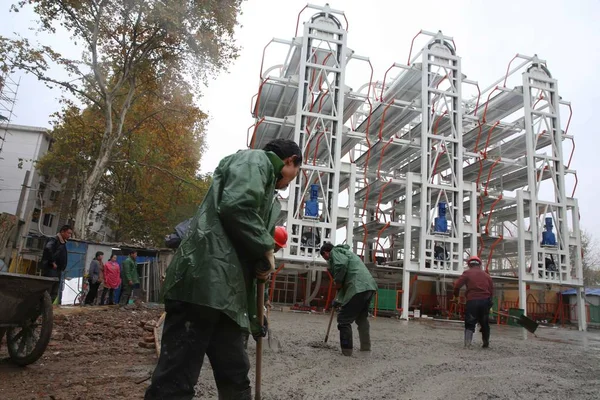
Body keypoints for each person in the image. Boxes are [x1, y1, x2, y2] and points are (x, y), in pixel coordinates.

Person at [145, 139, 302, 400]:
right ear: (290, 161)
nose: (291, 181)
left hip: (227, 297)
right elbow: (236, 206)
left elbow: (243, 254)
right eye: (296, 173)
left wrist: (256, 315)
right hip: (201, 284)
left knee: (236, 376)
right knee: (176, 379)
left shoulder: (266, 193)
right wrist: (264, 247)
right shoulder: (255, 160)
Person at [320, 242, 378, 357]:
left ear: (326, 252)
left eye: (324, 257)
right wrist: (338, 300)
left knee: (343, 319)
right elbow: (347, 282)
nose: (326, 260)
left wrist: (337, 281)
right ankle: (365, 349)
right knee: (361, 318)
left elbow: (341, 266)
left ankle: (346, 350)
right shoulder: (348, 253)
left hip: (358, 287)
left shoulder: (335, 252)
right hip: (368, 286)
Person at [243, 225, 288, 350]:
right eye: (277, 246)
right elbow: (255, 286)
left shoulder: (269, 257)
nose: (278, 249)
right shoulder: (258, 254)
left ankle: (244, 344)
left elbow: (265, 283)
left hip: (255, 294)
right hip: (245, 294)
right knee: (247, 321)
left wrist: (266, 298)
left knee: (257, 321)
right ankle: (241, 345)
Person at [453, 255, 494, 348]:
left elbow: (457, 286)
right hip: (485, 301)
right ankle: (486, 343)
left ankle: (467, 344)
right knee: (484, 323)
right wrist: (489, 304)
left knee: (470, 322)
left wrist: (456, 296)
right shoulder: (487, 276)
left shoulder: (467, 273)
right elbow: (491, 291)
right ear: (479, 264)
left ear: (469, 264)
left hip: (472, 301)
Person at [40, 225, 73, 303]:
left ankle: (47, 309)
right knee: (48, 290)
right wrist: (52, 262)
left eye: (70, 234)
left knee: (54, 291)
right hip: (51, 269)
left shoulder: (62, 242)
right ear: (62, 232)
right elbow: (48, 248)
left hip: (57, 270)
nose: (69, 235)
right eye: (68, 233)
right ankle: (42, 308)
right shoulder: (54, 240)